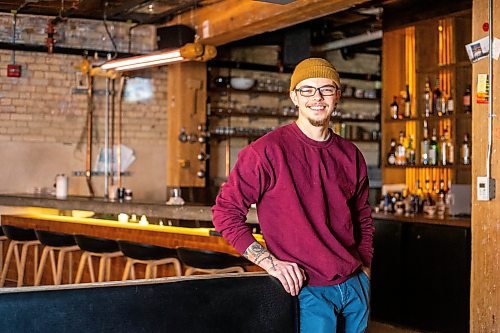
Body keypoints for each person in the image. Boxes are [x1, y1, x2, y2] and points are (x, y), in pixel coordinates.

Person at [212, 57, 374, 332]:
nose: (318, 98)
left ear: (338, 96)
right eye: (307, 89)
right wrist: (268, 262)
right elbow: (225, 212)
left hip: (354, 285)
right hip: (306, 289)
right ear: (294, 97)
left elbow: (362, 217)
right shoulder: (265, 152)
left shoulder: (350, 154)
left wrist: (365, 270)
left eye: (326, 89)